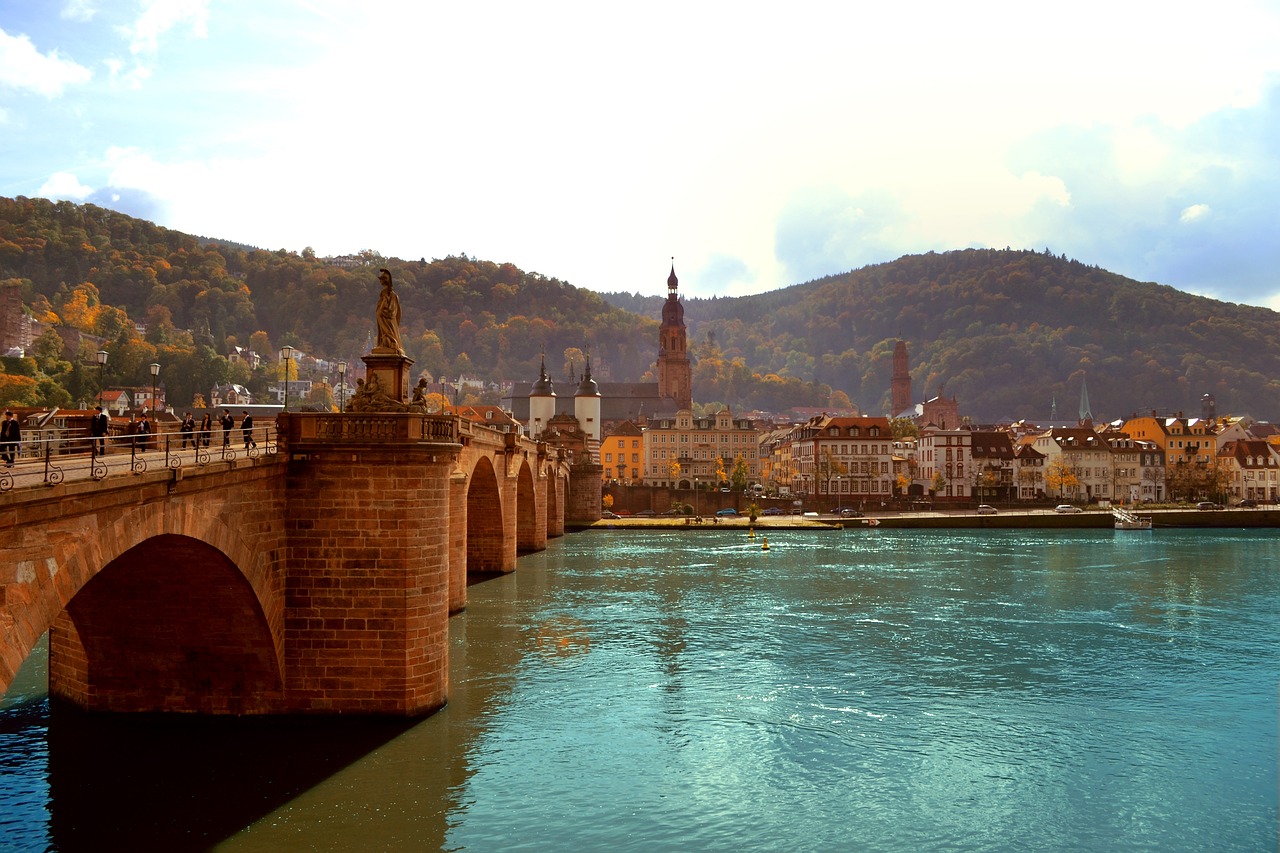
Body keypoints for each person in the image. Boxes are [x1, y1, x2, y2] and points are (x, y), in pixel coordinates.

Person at [374, 268, 404, 354]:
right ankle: (390, 342)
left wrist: (380, 311)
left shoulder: (385, 292)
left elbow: (386, 307)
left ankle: (390, 342)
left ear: (385, 280)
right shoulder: (393, 294)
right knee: (389, 334)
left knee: (387, 334)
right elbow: (397, 313)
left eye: (381, 279)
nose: (380, 282)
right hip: (391, 320)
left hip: (385, 318)